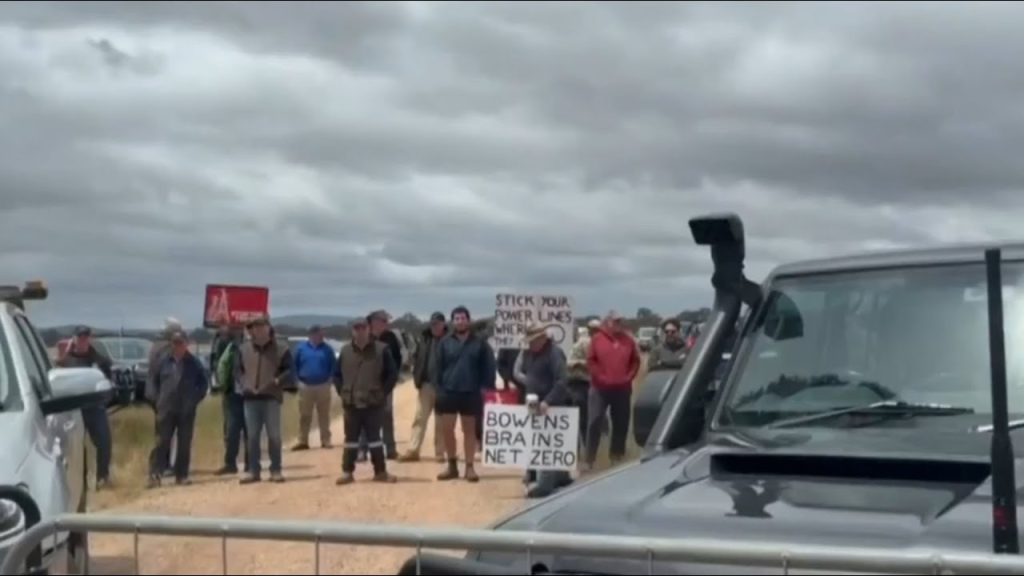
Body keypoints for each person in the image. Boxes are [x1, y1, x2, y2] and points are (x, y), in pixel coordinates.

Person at [433, 305, 496, 483]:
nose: (460, 321)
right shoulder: (444, 343)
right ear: (452, 322)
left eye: (463, 318)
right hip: (448, 392)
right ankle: (452, 466)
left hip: (471, 393)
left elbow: (489, 367)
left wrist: (485, 388)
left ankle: (469, 467)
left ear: (469, 320)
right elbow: (437, 368)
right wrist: (439, 390)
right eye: (457, 319)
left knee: (469, 431)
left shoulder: (480, 343)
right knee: (447, 430)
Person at [334, 317, 399, 485]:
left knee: (375, 439)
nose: (360, 331)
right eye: (357, 328)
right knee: (350, 440)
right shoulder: (345, 351)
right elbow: (336, 374)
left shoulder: (381, 349)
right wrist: (342, 392)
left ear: (369, 329)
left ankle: (381, 472)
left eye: (363, 328)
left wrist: (383, 393)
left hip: (373, 403)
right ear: (352, 331)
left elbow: (392, 374)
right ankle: (347, 472)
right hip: (351, 403)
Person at [514, 323, 573, 498]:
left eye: (533, 340)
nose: (530, 344)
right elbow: (523, 373)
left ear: (542, 338)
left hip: (552, 407)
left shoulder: (555, 353)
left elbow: (562, 381)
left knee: (549, 445)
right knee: (536, 442)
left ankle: (545, 485)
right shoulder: (529, 354)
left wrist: (548, 400)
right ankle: (557, 477)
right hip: (534, 403)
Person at [234, 314, 293, 484]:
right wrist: (243, 383)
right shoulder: (243, 349)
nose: (258, 330)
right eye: (255, 327)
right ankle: (254, 471)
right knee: (252, 436)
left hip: (271, 397)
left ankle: (276, 470)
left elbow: (289, 370)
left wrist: (278, 380)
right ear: (252, 330)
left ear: (268, 328)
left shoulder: (281, 348)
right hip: (250, 398)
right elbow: (237, 371)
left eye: (262, 326)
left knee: (274, 435)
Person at [146, 331, 208, 488]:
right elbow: (152, 381)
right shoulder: (162, 361)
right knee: (161, 442)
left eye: (181, 343)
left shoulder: (194, 363)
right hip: (166, 408)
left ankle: (182, 475)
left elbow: (203, 384)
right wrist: (156, 400)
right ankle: (155, 474)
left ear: (186, 344)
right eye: (175, 343)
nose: (178, 346)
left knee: (184, 442)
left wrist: (194, 400)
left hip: (186, 409)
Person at [56, 325, 114, 490]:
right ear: (74, 339)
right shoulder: (66, 362)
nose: (83, 341)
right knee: (75, 449)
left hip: (94, 407)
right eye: (80, 338)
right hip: (73, 410)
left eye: (86, 337)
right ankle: (79, 484)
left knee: (104, 442)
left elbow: (109, 382)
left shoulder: (99, 360)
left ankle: (102, 477)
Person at [585, 311, 641, 471]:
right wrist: (600, 377)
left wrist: (629, 377)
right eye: (616, 321)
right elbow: (591, 360)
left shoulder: (628, 340)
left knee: (621, 423)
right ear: (607, 322)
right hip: (600, 388)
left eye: (620, 321)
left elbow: (635, 361)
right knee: (595, 421)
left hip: (622, 388)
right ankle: (590, 458)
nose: (619, 324)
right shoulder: (597, 339)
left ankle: (616, 457)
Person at [398, 312, 448, 463]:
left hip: (443, 387)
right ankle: (413, 451)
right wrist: (415, 375)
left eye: (437, 323)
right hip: (425, 385)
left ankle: (439, 453)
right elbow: (416, 358)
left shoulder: (450, 340)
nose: (435, 326)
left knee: (441, 421)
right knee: (419, 418)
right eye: (433, 324)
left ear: (443, 324)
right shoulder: (424, 339)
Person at [358, 310, 402, 460]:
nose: (386, 323)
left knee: (387, 416)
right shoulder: (364, 338)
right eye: (383, 321)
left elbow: (397, 359)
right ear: (374, 322)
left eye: (386, 321)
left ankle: (390, 449)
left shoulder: (391, 337)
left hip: (385, 384)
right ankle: (362, 449)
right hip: (367, 384)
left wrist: (391, 379)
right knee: (365, 416)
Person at [292, 325, 337, 451]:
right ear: (311, 335)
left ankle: (326, 440)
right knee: (305, 415)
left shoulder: (327, 349)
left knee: (324, 414)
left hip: (323, 385)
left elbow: (334, 365)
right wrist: (296, 381)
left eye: (322, 334)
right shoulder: (300, 348)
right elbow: (293, 366)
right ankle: (303, 441)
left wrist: (330, 379)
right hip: (305, 385)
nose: (322, 337)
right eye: (319, 334)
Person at [148, 317, 183, 478]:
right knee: (164, 434)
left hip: (160, 395)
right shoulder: (164, 348)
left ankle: (162, 464)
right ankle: (159, 466)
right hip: (163, 396)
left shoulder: (156, 346)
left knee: (164, 433)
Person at [213, 323, 249, 475]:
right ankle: (230, 463)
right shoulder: (226, 344)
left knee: (249, 430)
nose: (237, 330)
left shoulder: (252, 345)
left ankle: (250, 463)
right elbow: (218, 364)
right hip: (232, 393)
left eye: (239, 327)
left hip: (250, 394)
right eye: (234, 327)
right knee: (232, 430)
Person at [567, 319, 602, 452]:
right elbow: (571, 363)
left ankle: (586, 451)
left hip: (591, 384)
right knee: (583, 419)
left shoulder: (596, 343)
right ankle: (583, 450)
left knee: (586, 419)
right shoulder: (585, 343)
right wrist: (583, 364)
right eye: (594, 329)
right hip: (580, 383)